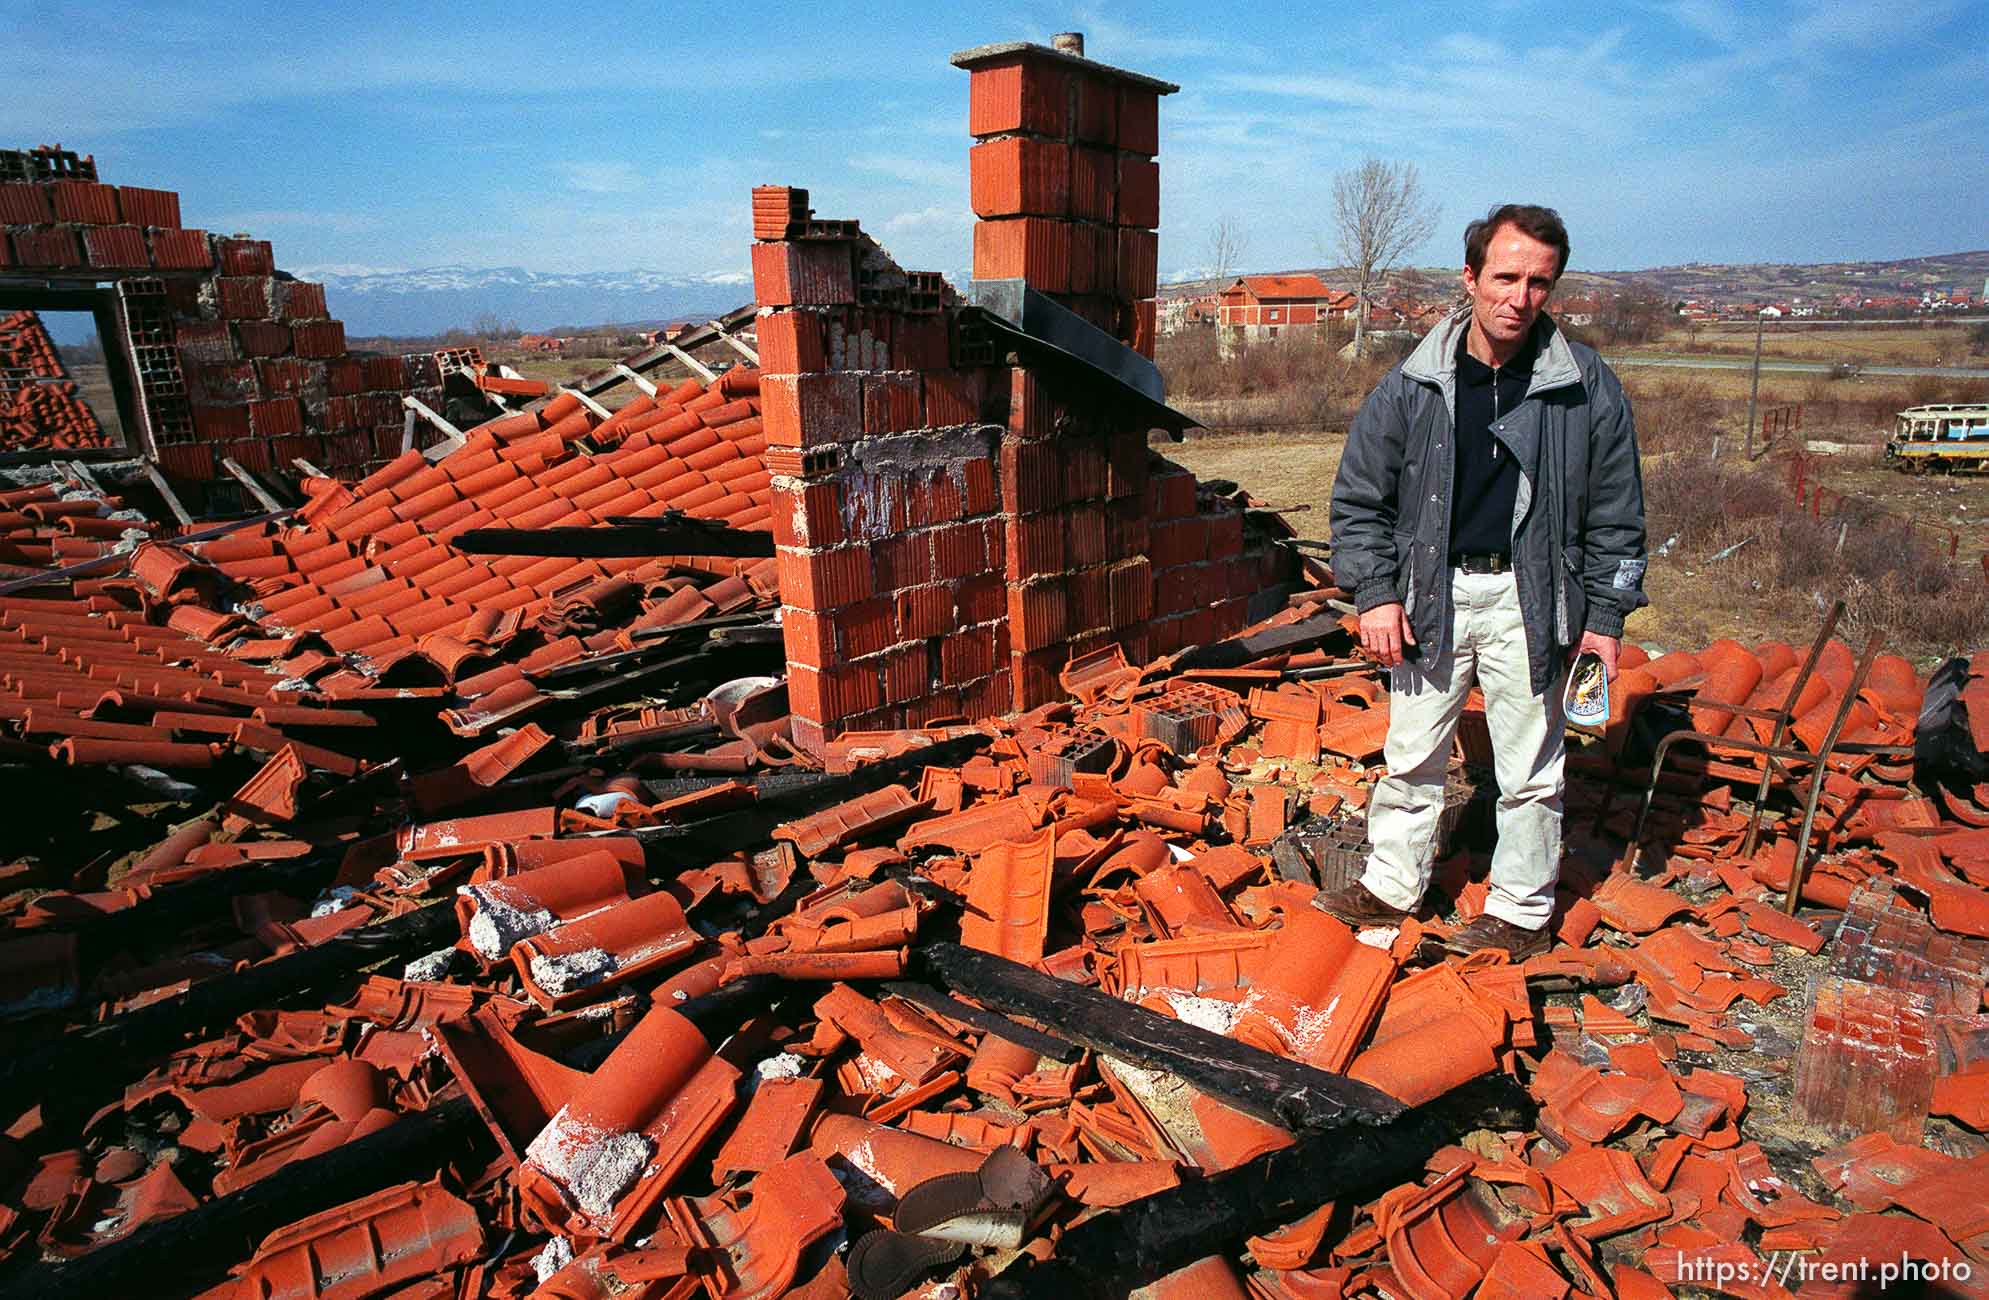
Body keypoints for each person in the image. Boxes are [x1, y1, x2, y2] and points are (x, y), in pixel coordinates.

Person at [1313, 204, 1648, 959]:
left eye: (1538, 282)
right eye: (1504, 277)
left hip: (1531, 600)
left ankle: (1520, 912)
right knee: (1410, 755)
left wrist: (1604, 619)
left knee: (1530, 769)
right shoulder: (1413, 382)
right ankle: (1391, 883)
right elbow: (1359, 500)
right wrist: (1374, 592)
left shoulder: (1582, 383)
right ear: (1469, 278)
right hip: (1431, 594)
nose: (1519, 298)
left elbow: (1617, 514)